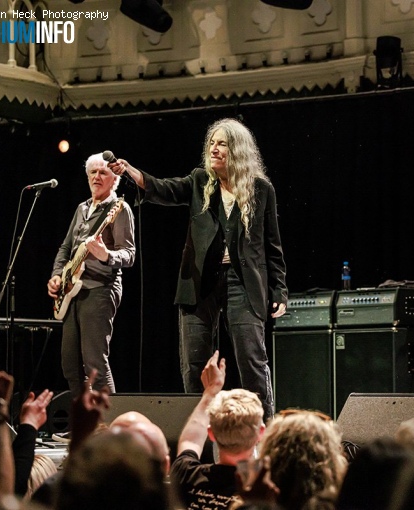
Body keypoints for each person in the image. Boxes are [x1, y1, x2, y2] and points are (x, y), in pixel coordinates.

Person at [109, 118, 288, 420]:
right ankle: (200, 438)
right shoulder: (199, 181)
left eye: (222, 144)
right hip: (198, 281)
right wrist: (131, 172)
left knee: (251, 359)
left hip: (242, 283)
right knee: (195, 364)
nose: (214, 149)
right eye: (212, 143)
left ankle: (263, 430)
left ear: (238, 150)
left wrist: (279, 290)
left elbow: (272, 245)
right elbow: (164, 189)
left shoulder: (261, 189)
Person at [47, 153, 136, 397]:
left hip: (100, 288)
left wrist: (106, 254)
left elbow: (129, 254)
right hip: (72, 291)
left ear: (114, 179)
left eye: (103, 172)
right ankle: (82, 425)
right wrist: (57, 276)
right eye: (93, 173)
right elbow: (66, 248)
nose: (97, 177)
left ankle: (108, 426)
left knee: (95, 363)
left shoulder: (120, 209)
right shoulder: (81, 208)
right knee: (70, 365)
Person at [171, 350, 266, 510]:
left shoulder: (186, 476)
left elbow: (190, 441)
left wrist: (210, 392)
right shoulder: (265, 493)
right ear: (260, 433)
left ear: (211, 433)